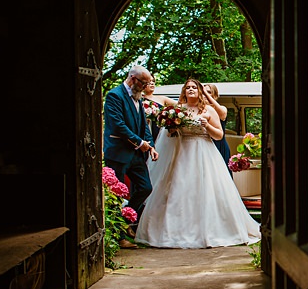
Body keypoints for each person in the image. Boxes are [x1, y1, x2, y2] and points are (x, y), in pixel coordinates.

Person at [136, 78, 261, 249]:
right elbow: (170, 136)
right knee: (178, 191)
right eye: (188, 87)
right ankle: (174, 233)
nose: (191, 90)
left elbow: (219, 135)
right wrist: (172, 129)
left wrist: (207, 126)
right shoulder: (177, 110)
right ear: (184, 91)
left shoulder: (208, 109)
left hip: (204, 152)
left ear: (199, 91)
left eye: (194, 87)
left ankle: (210, 231)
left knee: (207, 190)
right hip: (181, 154)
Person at [104, 65, 160, 248]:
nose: (146, 87)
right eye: (144, 83)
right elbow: (118, 125)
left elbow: (144, 125)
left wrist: (149, 144)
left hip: (136, 155)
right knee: (116, 194)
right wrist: (139, 142)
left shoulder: (138, 98)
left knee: (145, 187)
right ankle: (118, 237)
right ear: (133, 79)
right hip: (118, 153)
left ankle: (124, 221)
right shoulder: (114, 95)